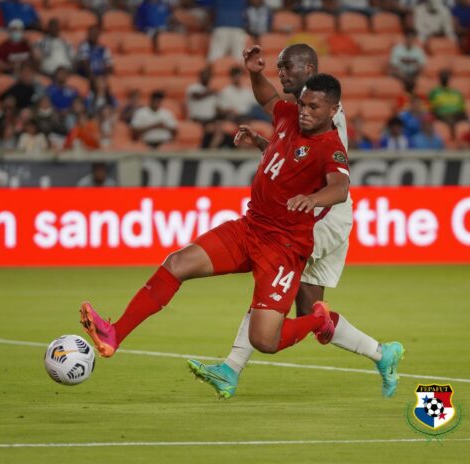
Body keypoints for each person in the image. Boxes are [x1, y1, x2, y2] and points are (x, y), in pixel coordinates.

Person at [81, 74, 351, 388]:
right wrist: (254, 73)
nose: (304, 111)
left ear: (333, 110)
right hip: (250, 227)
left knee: (264, 340)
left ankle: (318, 319)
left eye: (314, 107)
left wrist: (313, 199)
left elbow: (340, 187)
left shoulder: (331, 147)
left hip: (284, 247)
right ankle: (114, 334)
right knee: (177, 263)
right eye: (302, 103)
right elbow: (268, 98)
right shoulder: (291, 117)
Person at [187, 44, 404, 399]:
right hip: (328, 216)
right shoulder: (310, 112)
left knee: (270, 270)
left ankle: (230, 368)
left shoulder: (325, 116)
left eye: (288, 67)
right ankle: (383, 354)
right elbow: (296, 159)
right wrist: (265, 143)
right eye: (279, 67)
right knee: (309, 312)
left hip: (321, 218)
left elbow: (326, 174)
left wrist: (313, 198)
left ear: (310, 70)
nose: (282, 74)